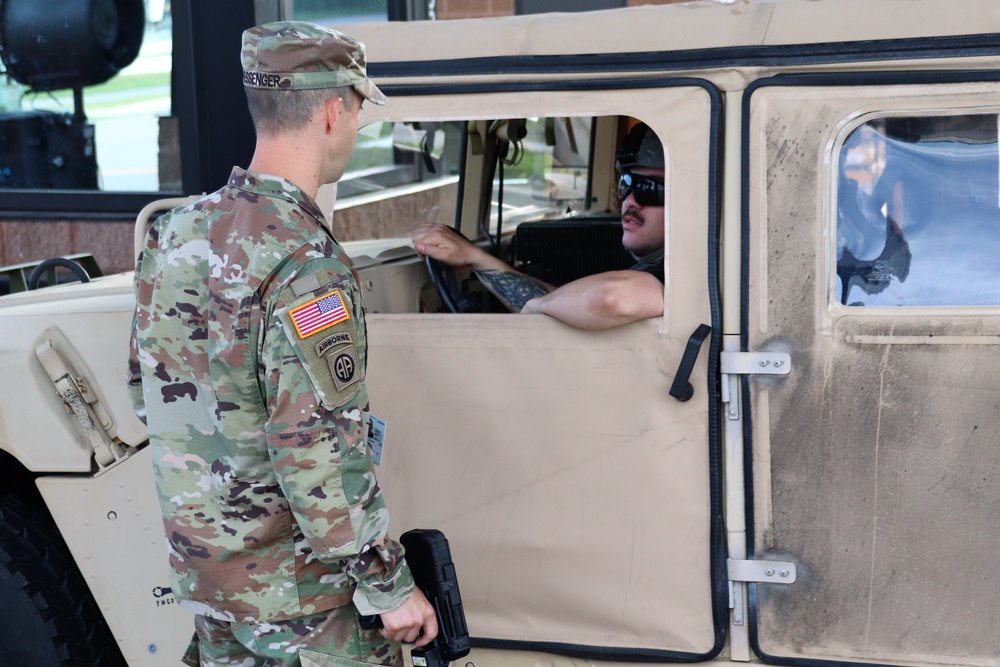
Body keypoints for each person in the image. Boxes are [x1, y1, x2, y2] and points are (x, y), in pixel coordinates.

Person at [126, 22, 436, 667]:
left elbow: (145, 390)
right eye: (356, 112)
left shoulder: (175, 232)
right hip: (303, 606)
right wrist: (389, 585)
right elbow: (316, 448)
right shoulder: (305, 263)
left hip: (212, 585)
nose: (354, 128)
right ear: (333, 111)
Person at [411, 122, 665, 330]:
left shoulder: (685, 270)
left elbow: (613, 297)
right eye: (626, 184)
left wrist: (538, 306)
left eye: (649, 189)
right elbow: (568, 303)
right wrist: (475, 257)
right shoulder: (657, 262)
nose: (630, 200)